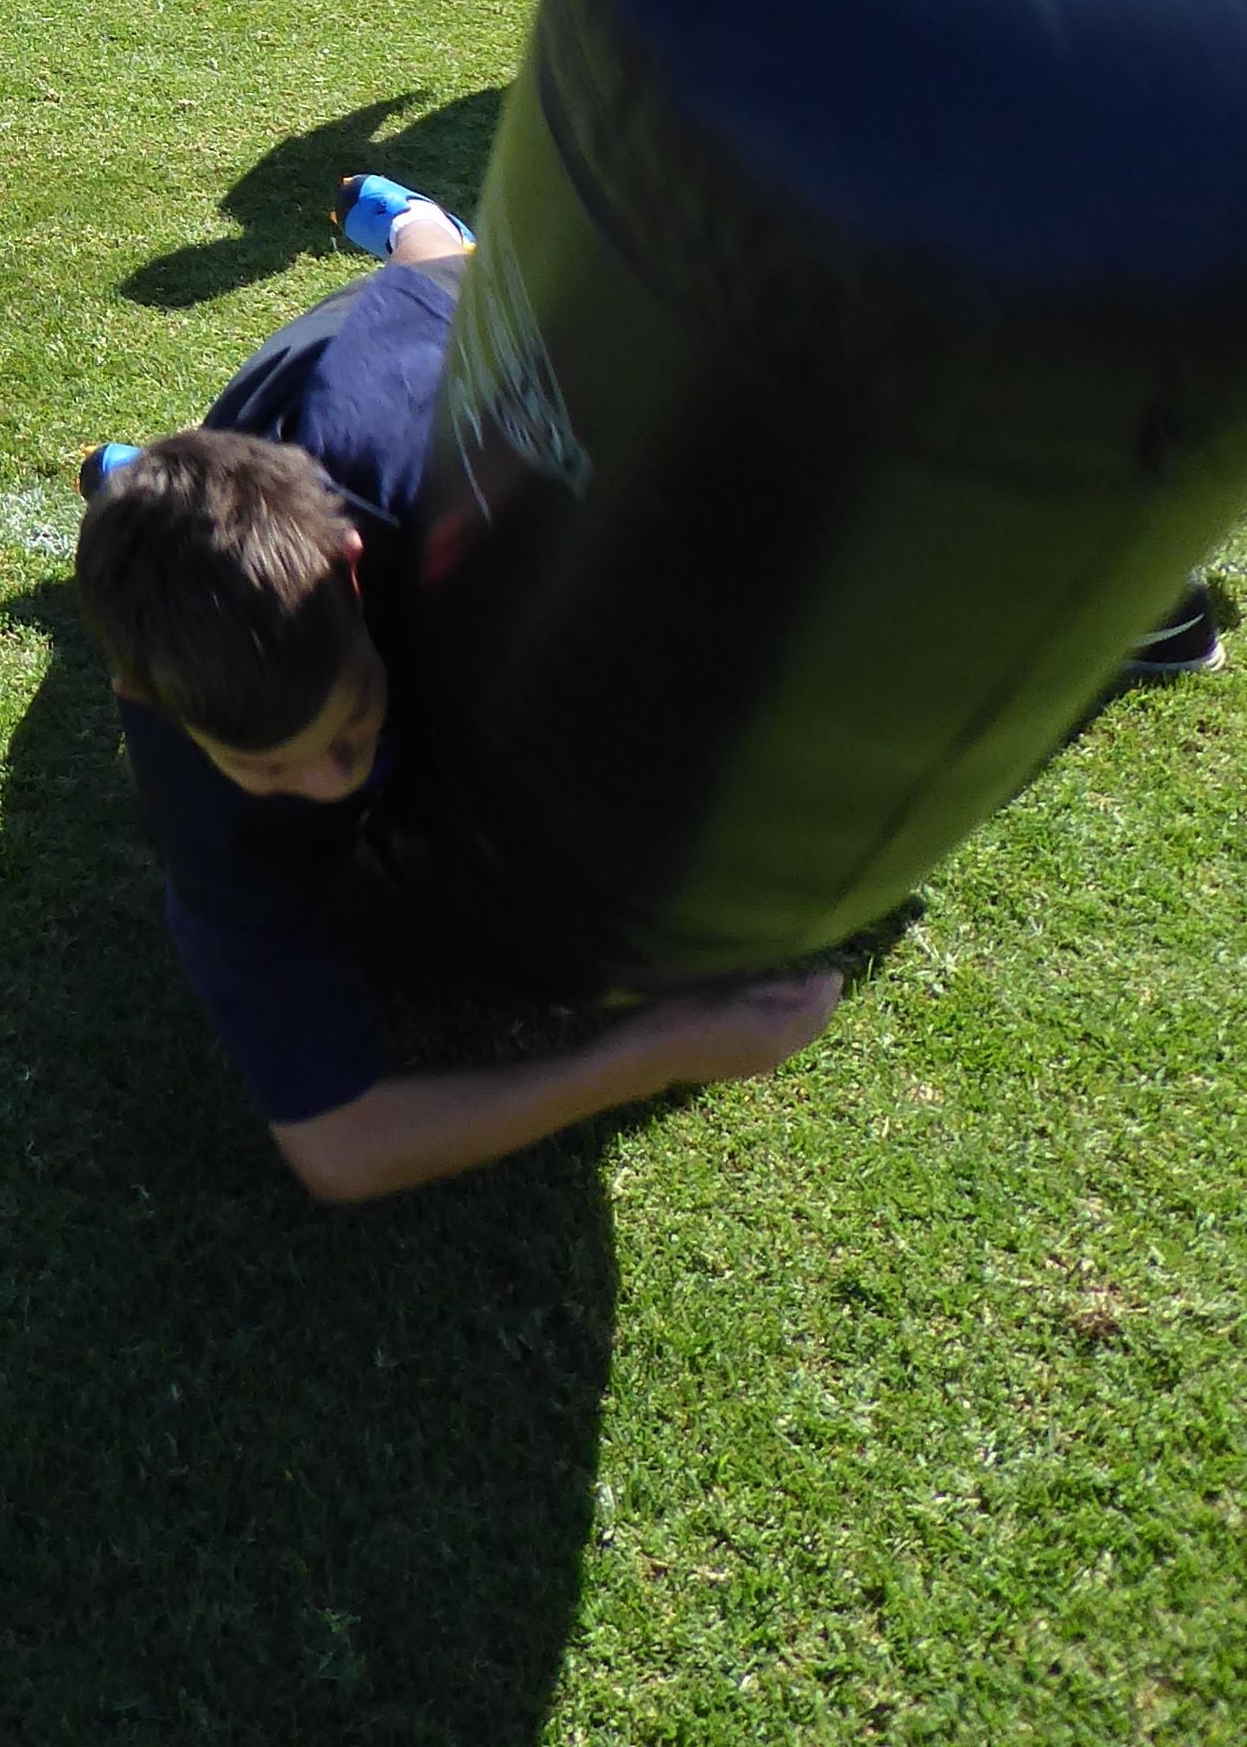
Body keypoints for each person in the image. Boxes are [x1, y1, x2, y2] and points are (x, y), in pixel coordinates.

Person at [71, 187, 844, 1199]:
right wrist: (647, 1054)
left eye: (348, 723)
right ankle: (145, 485)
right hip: (265, 427)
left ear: (353, 566)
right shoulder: (191, 784)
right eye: (267, 766)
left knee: (444, 260)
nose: (333, 780)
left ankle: (411, 220)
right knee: (169, 503)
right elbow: (338, 1148)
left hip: (415, 326)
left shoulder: (467, 480)